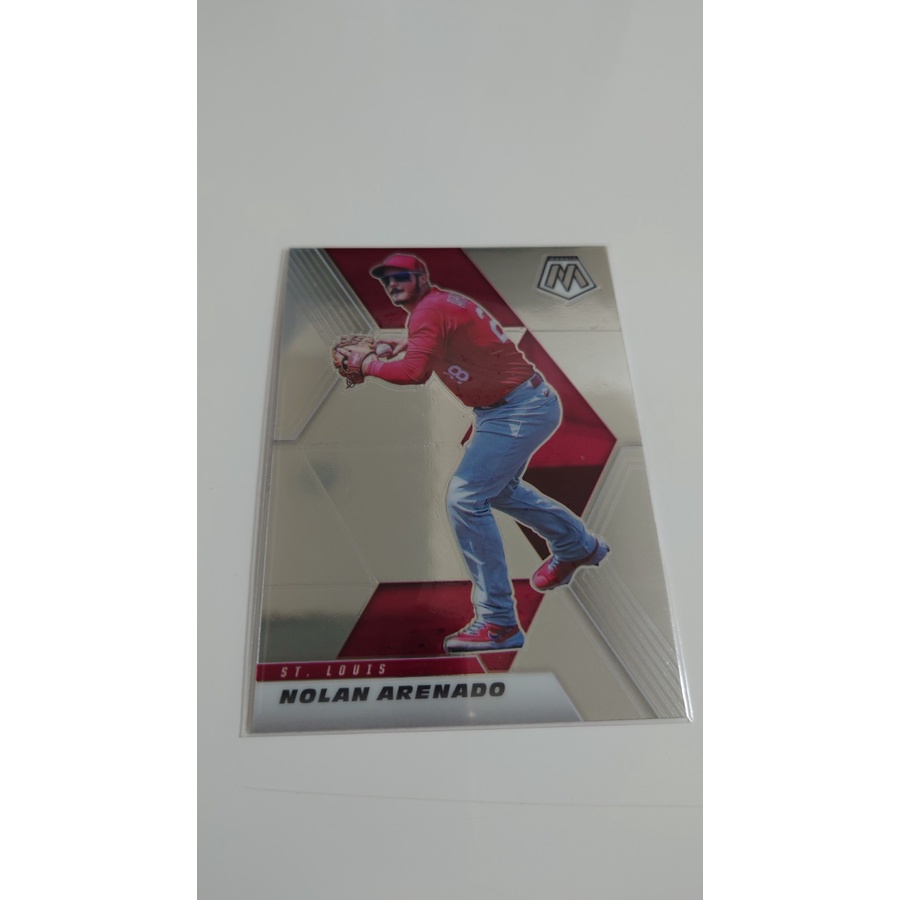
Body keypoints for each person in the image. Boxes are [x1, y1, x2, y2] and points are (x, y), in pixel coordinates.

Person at [360, 253, 609, 653]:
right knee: (499, 491)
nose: (392, 284)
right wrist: (406, 344)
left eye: (400, 276)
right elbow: (450, 342)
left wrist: (368, 365)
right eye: (386, 279)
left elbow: (413, 373)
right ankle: (577, 546)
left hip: (518, 409)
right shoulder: (439, 304)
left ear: (421, 276)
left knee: (465, 497)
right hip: (512, 407)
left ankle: (498, 623)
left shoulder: (428, 312)